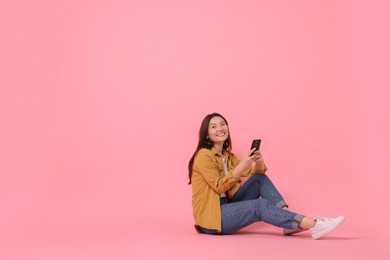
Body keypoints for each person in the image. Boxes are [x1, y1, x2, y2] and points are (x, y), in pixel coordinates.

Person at [188, 112, 345, 239]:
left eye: (223, 124)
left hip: (227, 206)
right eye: (213, 126)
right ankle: (312, 224)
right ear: (207, 135)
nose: (220, 128)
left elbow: (258, 174)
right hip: (213, 219)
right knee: (259, 206)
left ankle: (287, 223)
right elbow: (219, 186)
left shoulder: (228, 157)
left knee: (259, 180)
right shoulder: (203, 156)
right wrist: (242, 165)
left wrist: (259, 161)